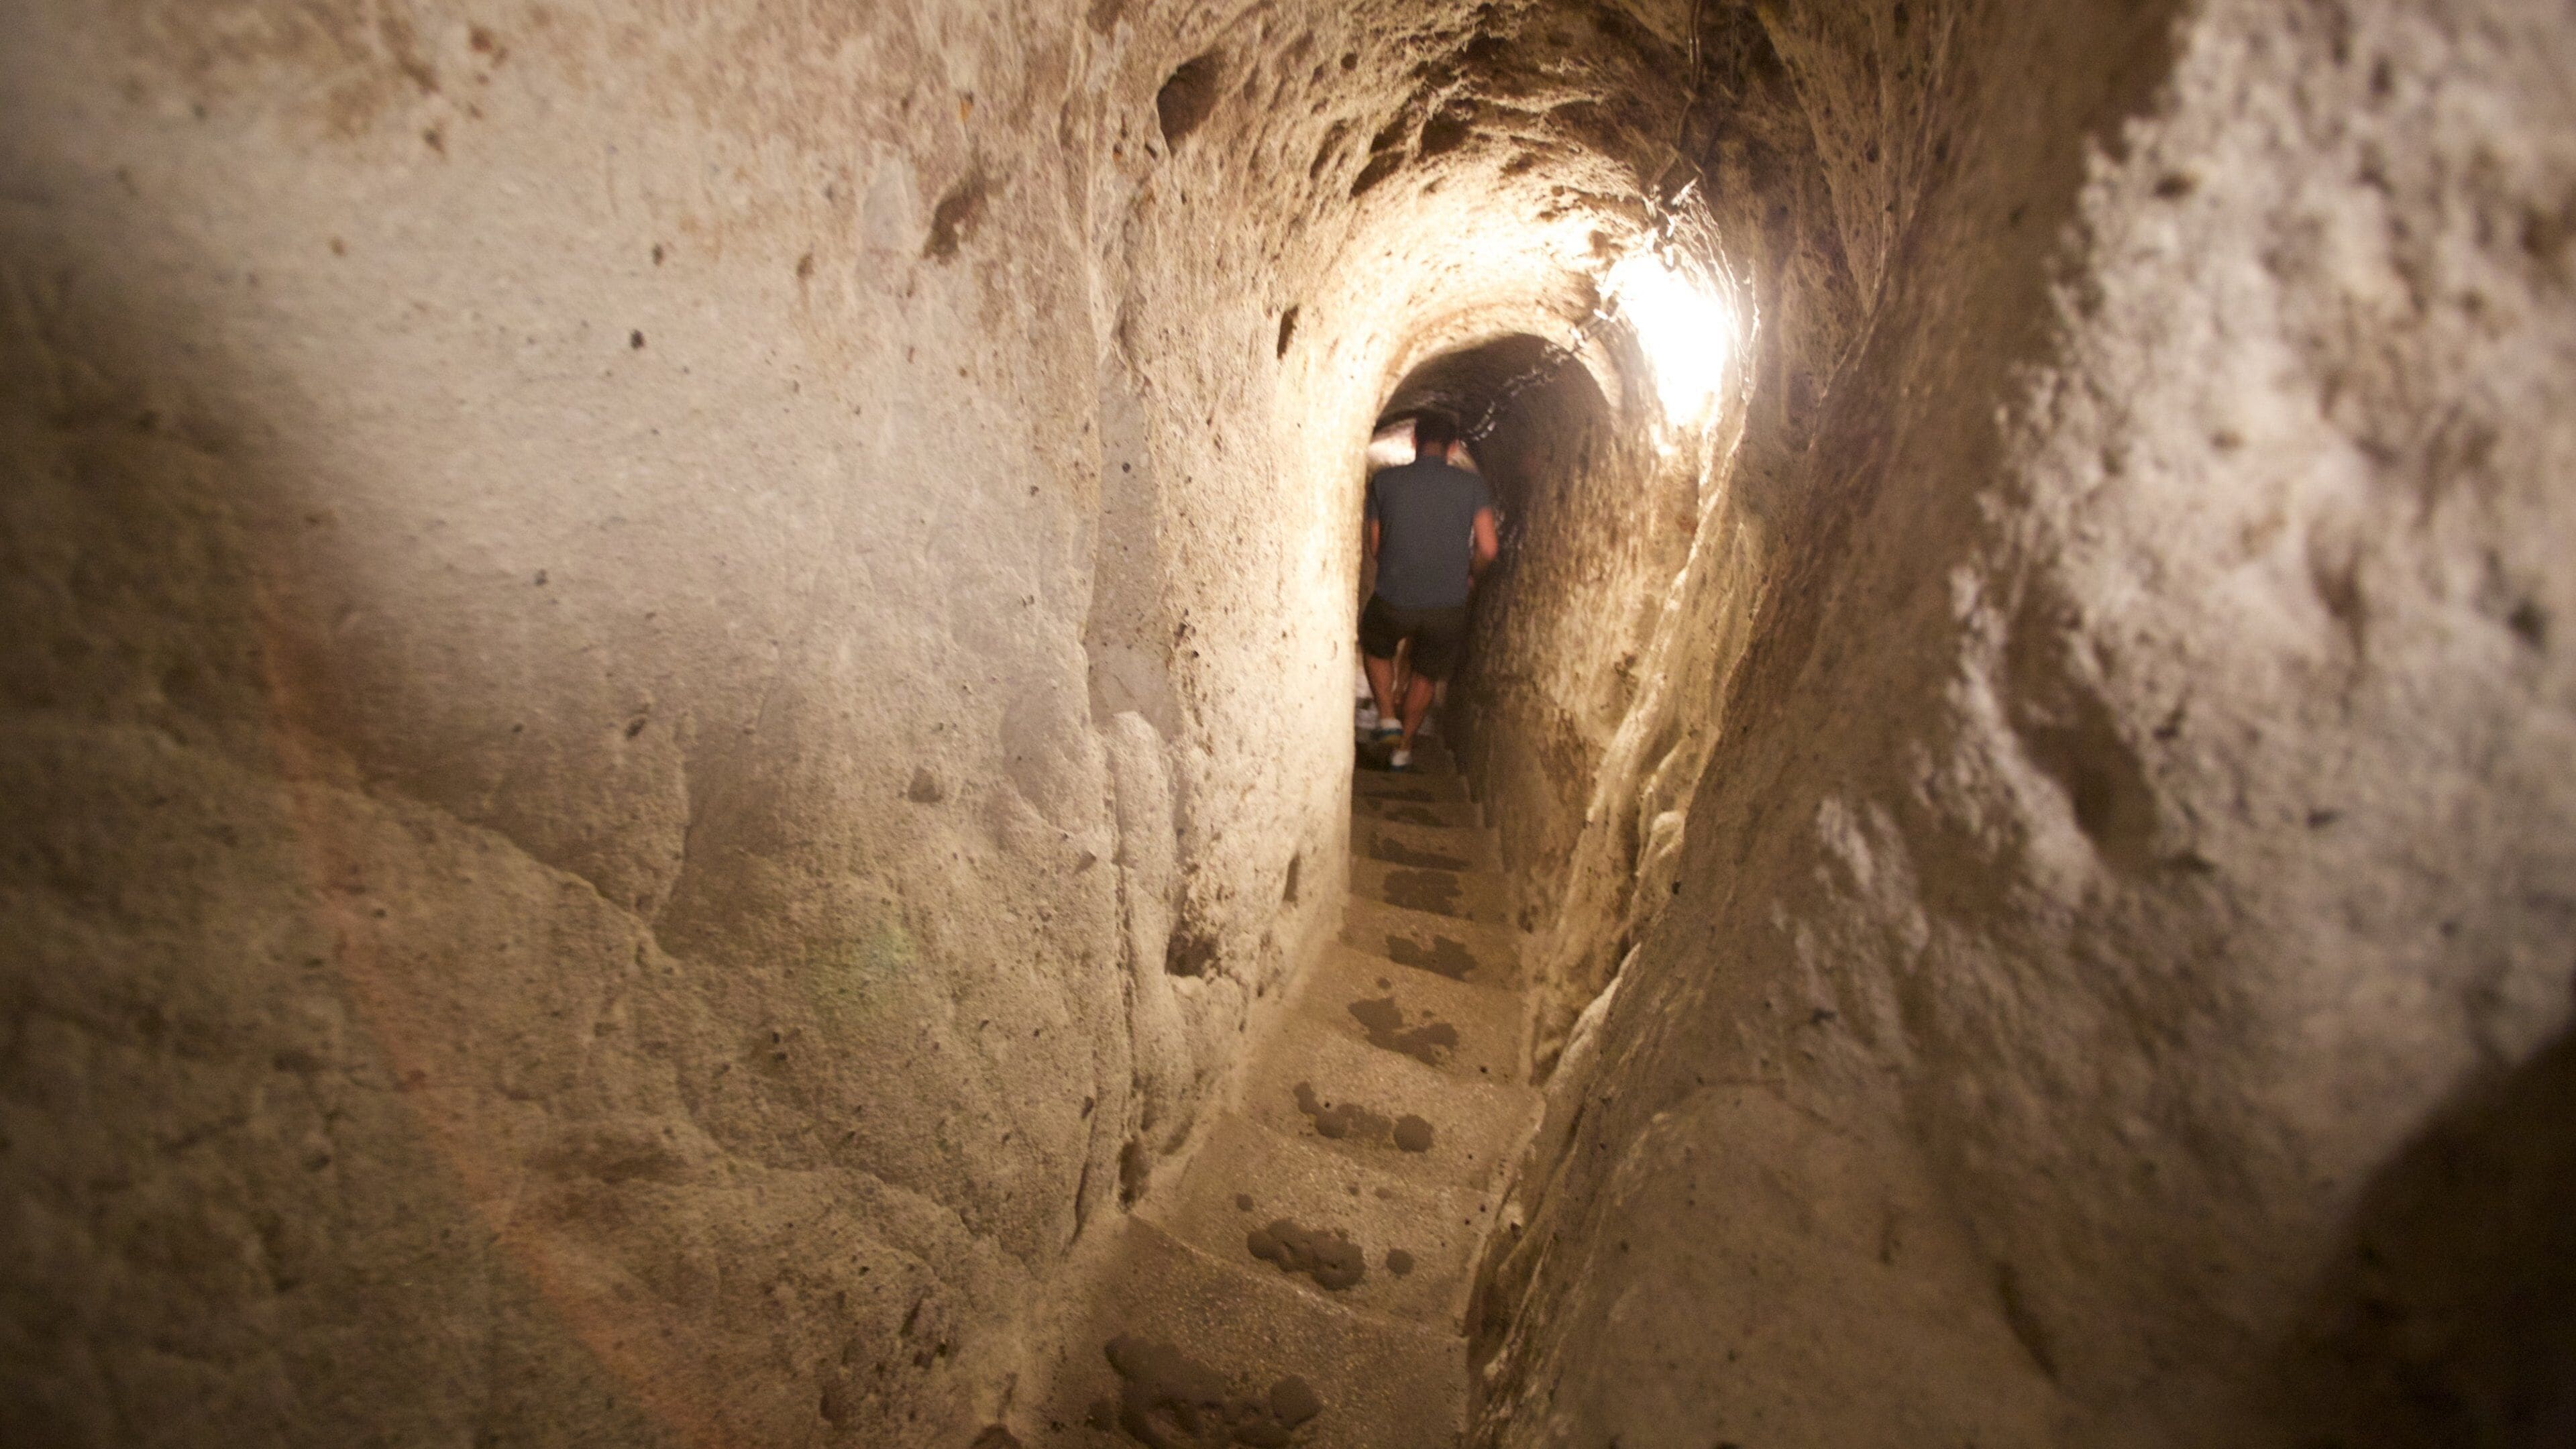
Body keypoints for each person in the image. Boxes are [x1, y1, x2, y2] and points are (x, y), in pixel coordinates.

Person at [1361, 412, 1497, 770]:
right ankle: (1403, 748)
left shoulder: (1384, 481)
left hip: (1394, 599)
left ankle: (1388, 718)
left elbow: (1377, 547)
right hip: (1447, 607)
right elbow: (1488, 548)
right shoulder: (1473, 487)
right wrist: (1470, 576)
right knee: (1425, 674)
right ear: (1452, 448)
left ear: (1413, 442)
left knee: (1375, 645)